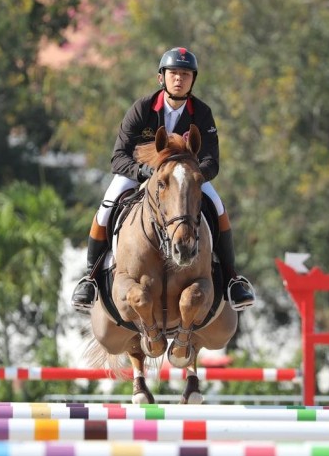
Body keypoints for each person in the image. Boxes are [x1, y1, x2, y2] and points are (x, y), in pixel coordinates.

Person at [70, 47, 255, 313]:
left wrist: (192, 176)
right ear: (162, 78)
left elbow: (212, 160)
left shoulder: (201, 113)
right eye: (173, 73)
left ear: (193, 80)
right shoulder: (142, 109)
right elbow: (118, 158)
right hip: (140, 175)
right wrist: (144, 172)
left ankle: (232, 278)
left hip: (185, 179)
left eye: (185, 74)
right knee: (107, 207)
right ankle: (90, 278)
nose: (179, 79)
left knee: (218, 207)